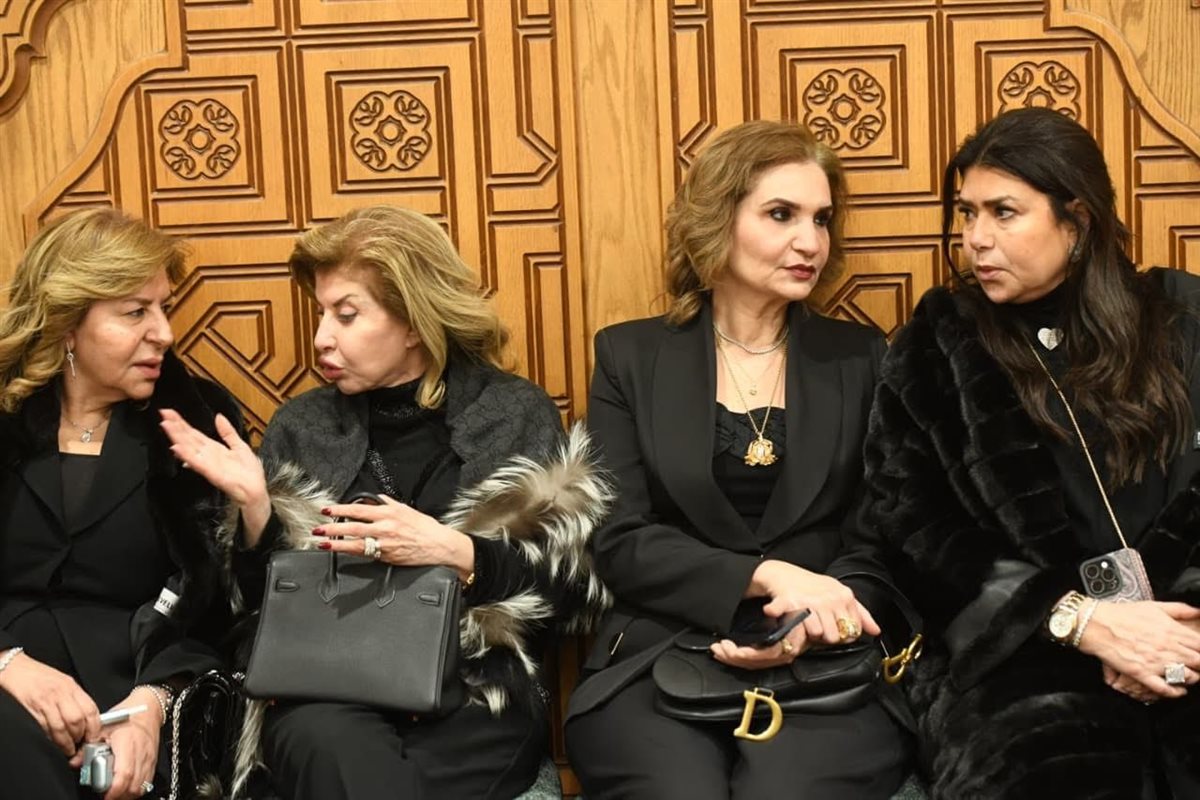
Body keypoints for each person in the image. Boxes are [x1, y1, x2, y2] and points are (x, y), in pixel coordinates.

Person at [160, 204, 611, 799]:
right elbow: (249, 615)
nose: (321, 338)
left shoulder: (513, 415)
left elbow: (572, 594)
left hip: (473, 696)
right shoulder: (302, 427)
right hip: (325, 694)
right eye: (321, 313)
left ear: (415, 319)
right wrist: (255, 511)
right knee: (326, 742)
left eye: (346, 315)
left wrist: (454, 551)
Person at [563, 120, 914, 799]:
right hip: (657, 652)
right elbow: (619, 539)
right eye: (781, 214)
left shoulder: (863, 359)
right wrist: (765, 578)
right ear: (716, 222)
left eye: (821, 219)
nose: (810, 242)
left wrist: (816, 621)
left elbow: (881, 539)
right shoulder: (630, 357)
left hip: (827, 660)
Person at [859, 106, 1200, 798]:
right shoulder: (941, 342)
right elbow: (912, 526)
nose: (975, 239)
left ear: (1076, 220)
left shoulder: (1180, 315)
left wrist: (1180, 626)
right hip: (1026, 655)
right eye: (967, 213)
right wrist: (1079, 619)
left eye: (1004, 213)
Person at [0, 208, 241, 800]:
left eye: (163, 308)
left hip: (130, 689)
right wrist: (7, 664)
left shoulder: (196, 422)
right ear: (66, 324)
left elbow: (218, 605)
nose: (164, 333)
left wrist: (151, 705)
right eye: (136, 312)